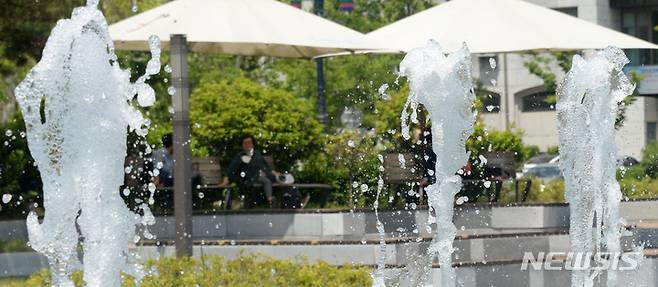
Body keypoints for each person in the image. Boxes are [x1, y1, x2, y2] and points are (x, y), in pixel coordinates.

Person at [222, 135, 279, 207]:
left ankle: (284, 200)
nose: (248, 145)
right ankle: (270, 199)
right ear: (242, 145)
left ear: (252, 144)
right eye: (245, 143)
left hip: (264, 174)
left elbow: (266, 167)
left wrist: (275, 173)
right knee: (266, 181)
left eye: (249, 143)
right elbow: (231, 169)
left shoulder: (257, 154)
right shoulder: (240, 156)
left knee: (276, 179)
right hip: (251, 178)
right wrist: (226, 179)